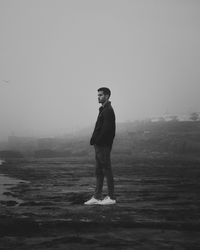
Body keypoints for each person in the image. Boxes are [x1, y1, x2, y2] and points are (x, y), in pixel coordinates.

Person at [84, 87, 116, 205]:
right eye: (98, 95)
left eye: (101, 95)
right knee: (99, 171)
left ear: (107, 96)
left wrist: (97, 140)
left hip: (103, 145)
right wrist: (94, 140)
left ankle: (111, 197)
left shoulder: (108, 110)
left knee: (107, 170)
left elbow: (108, 130)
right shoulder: (103, 109)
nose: (98, 97)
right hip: (99, 145)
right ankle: (97, 197)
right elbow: (100, 127)